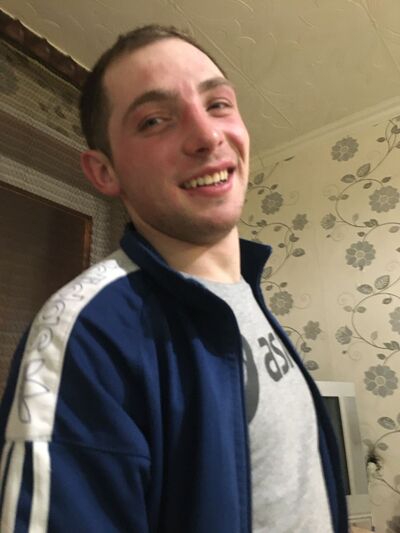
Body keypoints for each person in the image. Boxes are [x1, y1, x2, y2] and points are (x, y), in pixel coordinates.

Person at [0, 24, 348, 532]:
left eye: (218, 104)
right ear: (104, 172)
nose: (208, 136)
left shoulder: (247, 298)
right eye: (155, 121)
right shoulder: (83, 335)